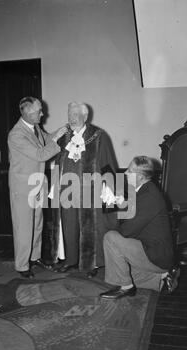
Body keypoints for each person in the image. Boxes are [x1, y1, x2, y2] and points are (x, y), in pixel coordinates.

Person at [50, 102, 118, 276]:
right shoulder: (64, 136)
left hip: (91, 189)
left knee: (90, 227)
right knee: (68, 225)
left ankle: (91, 264)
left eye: (75, 114)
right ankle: (71, 260)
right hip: (67, 189)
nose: (71, 118)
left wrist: (109, 189)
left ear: (85, 116)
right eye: (69, 113)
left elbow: (108, 162)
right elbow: (56, 161)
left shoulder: (98, 136)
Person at [100, 155, 177, 299]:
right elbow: (135, 208)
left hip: (156, 254)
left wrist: (115, 209)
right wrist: (122, 201)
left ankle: (126, 287)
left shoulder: (149, 197)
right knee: (120, 270)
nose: (125, 174)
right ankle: (162, 278)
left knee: (110, 238)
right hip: (150, 249)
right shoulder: (145, 189)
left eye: (129, 171)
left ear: (141, 177)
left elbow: (126, 232)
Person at [8, 96, 67, 278]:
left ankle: (34, 257)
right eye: (38, 111)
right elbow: (40, 154)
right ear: (26, 113)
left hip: (37, 183)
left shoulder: (34, 128)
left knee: (37, 224)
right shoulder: (16, 134)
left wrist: (60, 131)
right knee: (23, 226)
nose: (43, 113)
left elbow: (47, 139)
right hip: (23, 187)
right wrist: (56, 142)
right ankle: (22, 265)